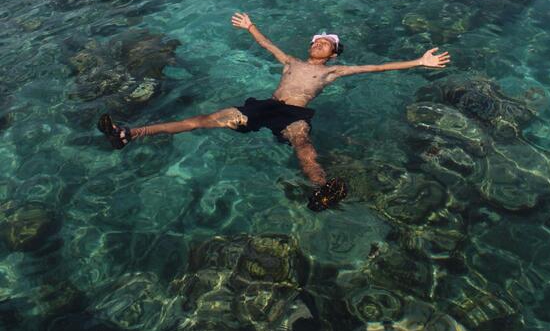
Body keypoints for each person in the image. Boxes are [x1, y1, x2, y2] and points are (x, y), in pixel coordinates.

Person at [98, 12, 451, 211]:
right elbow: (268, 46)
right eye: (316, 40)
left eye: (326, 42)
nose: (318, 43)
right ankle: (130, 134)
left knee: (303, 146)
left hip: (294, 114)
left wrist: (419, 61)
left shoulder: (333, 71)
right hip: (265, 107)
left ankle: (325, 188)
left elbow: (377, 68)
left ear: (334, 54)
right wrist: (251, 27)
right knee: (201, 121)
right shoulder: (292, 61)